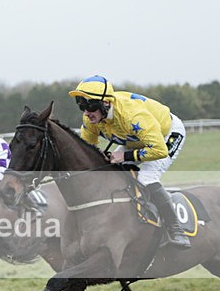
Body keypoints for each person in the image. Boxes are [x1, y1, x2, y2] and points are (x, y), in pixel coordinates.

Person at [69, 75, 191, 249]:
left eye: (90, 106)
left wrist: (125, 157)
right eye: (82, 106)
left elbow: (159, 150)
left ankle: (177, 230)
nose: (86, 113)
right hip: (133, 139)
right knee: (110, 172)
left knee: (146, 178)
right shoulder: (90, 119)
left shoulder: (133, 115)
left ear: (106, 103)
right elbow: (87, 152)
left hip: (165, 136)